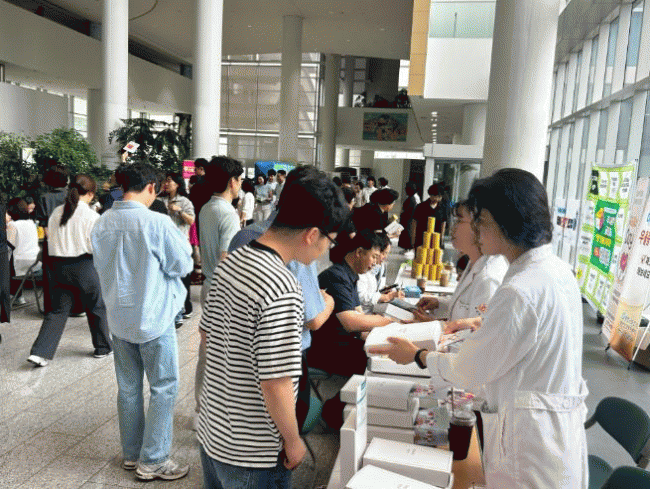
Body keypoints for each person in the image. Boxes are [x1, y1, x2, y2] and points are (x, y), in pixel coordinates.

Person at [371, 169, 588, 489]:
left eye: (481, 220)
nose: (476, 229)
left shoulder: (520, 290)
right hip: (548, 433)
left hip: (530, 446)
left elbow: (471, 369)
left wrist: (418, 356)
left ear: (505, 222)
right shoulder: (553, 271)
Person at [197, 168, 348, 489]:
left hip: (214, 432)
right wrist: (293, 440)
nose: (326, 250)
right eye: (329, 240)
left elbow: (207, 336)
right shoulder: (282, 287)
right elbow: (276, 382)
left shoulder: (231, 262)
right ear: (312, 234)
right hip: (254, 452)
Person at [91, 162, 193, 482]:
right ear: (151, 187)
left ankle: (132, 453)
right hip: (154, 318)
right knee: (163, 388)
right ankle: (154, 460)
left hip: (119, 319)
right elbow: (182, 264)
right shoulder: (157, 223)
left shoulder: (102, 223)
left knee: (128, 388)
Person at [226, 165, 337, 432]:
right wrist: (329, 301)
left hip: (236, 359)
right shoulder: (297, 250)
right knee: (280, 434)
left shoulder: (243, 237)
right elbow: (312, 319)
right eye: (328, 240)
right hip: (285, 362)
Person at [27, 175, 111, 367]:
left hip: (57, 267)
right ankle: (102, 347)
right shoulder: (91, 216)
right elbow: (96, 247)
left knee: (57, 311)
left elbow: (50, 240)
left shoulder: (56, 212)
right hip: (84, 266)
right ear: (90, 194)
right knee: (96, 307)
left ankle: (40, 353)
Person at [309, 229, 393, 378]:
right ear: (359, 252)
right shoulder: (336, 277)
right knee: (379, 365)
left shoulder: (350, 275)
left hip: (341, 343)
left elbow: (359, 315)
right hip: (326, 350)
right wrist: (390, 322)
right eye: (374, 257)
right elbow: (351, 322)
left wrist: (383, 336)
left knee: (385, 351)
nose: (375, 263)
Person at [416, 200, 508, 332]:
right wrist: (439, 303)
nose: (452, 228)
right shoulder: (474, 263)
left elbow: (476, 333)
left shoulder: (488, 279)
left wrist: (434, 326)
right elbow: (466, 306)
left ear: (479, 227)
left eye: (459, 221)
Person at [198, 156, 243, 305]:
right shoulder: (228, 214)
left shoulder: (206, 208)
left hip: (208, 286)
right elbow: (226, 258)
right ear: (232, 182)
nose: (240, 184)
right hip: (222, 291)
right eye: (239, 180)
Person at [158, 172, 195, 327]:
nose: (166, 184)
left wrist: (179, 210)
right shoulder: (160, 200)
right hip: (164, 245)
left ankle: (185, 307)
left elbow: (191, 221)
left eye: (169, 181)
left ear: (178, 184)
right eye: (165, 181)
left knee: (182, 279)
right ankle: (173, 310)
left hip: (180, 244)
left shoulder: (184, 201)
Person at [357, 232, 404, 312]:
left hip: (372, 309)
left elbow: (375, 288)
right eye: (384, 253)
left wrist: (386, 291)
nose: (385, 257)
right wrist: (386, 297)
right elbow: (362, 297)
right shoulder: (362, 270)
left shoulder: (379, 266)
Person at [412, 183, 449, 249]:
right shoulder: (421, 207)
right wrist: (413, 238)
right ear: (430, 195)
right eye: (436, 196)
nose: (438, 199)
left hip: (436, 240)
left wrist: (442, 238)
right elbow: (414, 222)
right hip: (421, 239)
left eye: (440, 197)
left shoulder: (442, 208)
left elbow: (443, 223)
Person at [398, 181, 420, 251]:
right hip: (407, 220)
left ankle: (408, 248)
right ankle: (406, 248)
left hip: (408, 220)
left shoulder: (412, 199)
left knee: (408, 235)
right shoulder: (411, 198)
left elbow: (409, 211)